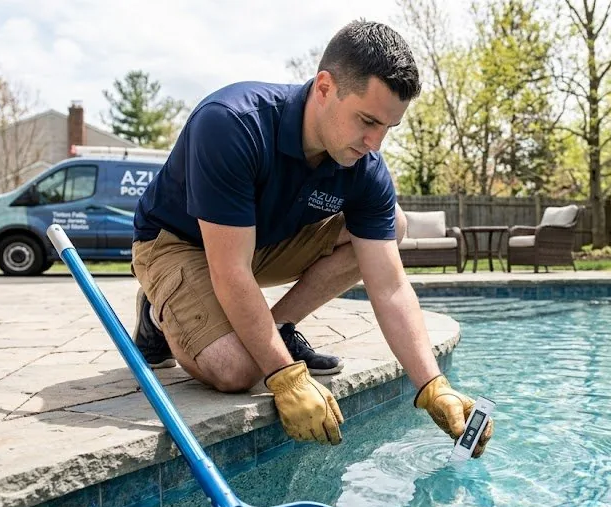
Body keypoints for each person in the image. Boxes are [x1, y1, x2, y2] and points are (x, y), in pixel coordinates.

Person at [130, 20, 493, 457]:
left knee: (388, 227)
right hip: (180, 244)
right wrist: (286, 376)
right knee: (237, 371)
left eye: (388, 128)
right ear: (324, 87)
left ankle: (278, 328)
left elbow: (390, 285)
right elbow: (230, 271)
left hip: (259, 245)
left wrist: (434, 387)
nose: (375, 143)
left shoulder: (363, 165)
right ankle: (158, 312)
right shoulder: (231, 124)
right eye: (367, 120)